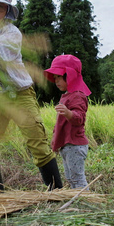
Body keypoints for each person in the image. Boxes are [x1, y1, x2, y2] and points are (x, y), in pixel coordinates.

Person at [0, 0, 62, 192]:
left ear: (7, 12)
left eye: (0, 7)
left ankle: (57, 192)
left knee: (37, 142)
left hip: (20, 94)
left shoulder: (12, 33)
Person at [44, 55, 91, 189]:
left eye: (59, 77)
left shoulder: (78, 95)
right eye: (55, 77)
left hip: (75, 146)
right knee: (70, 177)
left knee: (77, 178)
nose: (56, 81)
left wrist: (69, 113)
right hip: (67, 145)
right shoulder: (67, 95)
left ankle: (85, 201)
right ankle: (77, 200)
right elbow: (61, 125)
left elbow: (79, 118)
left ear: (70, 75)